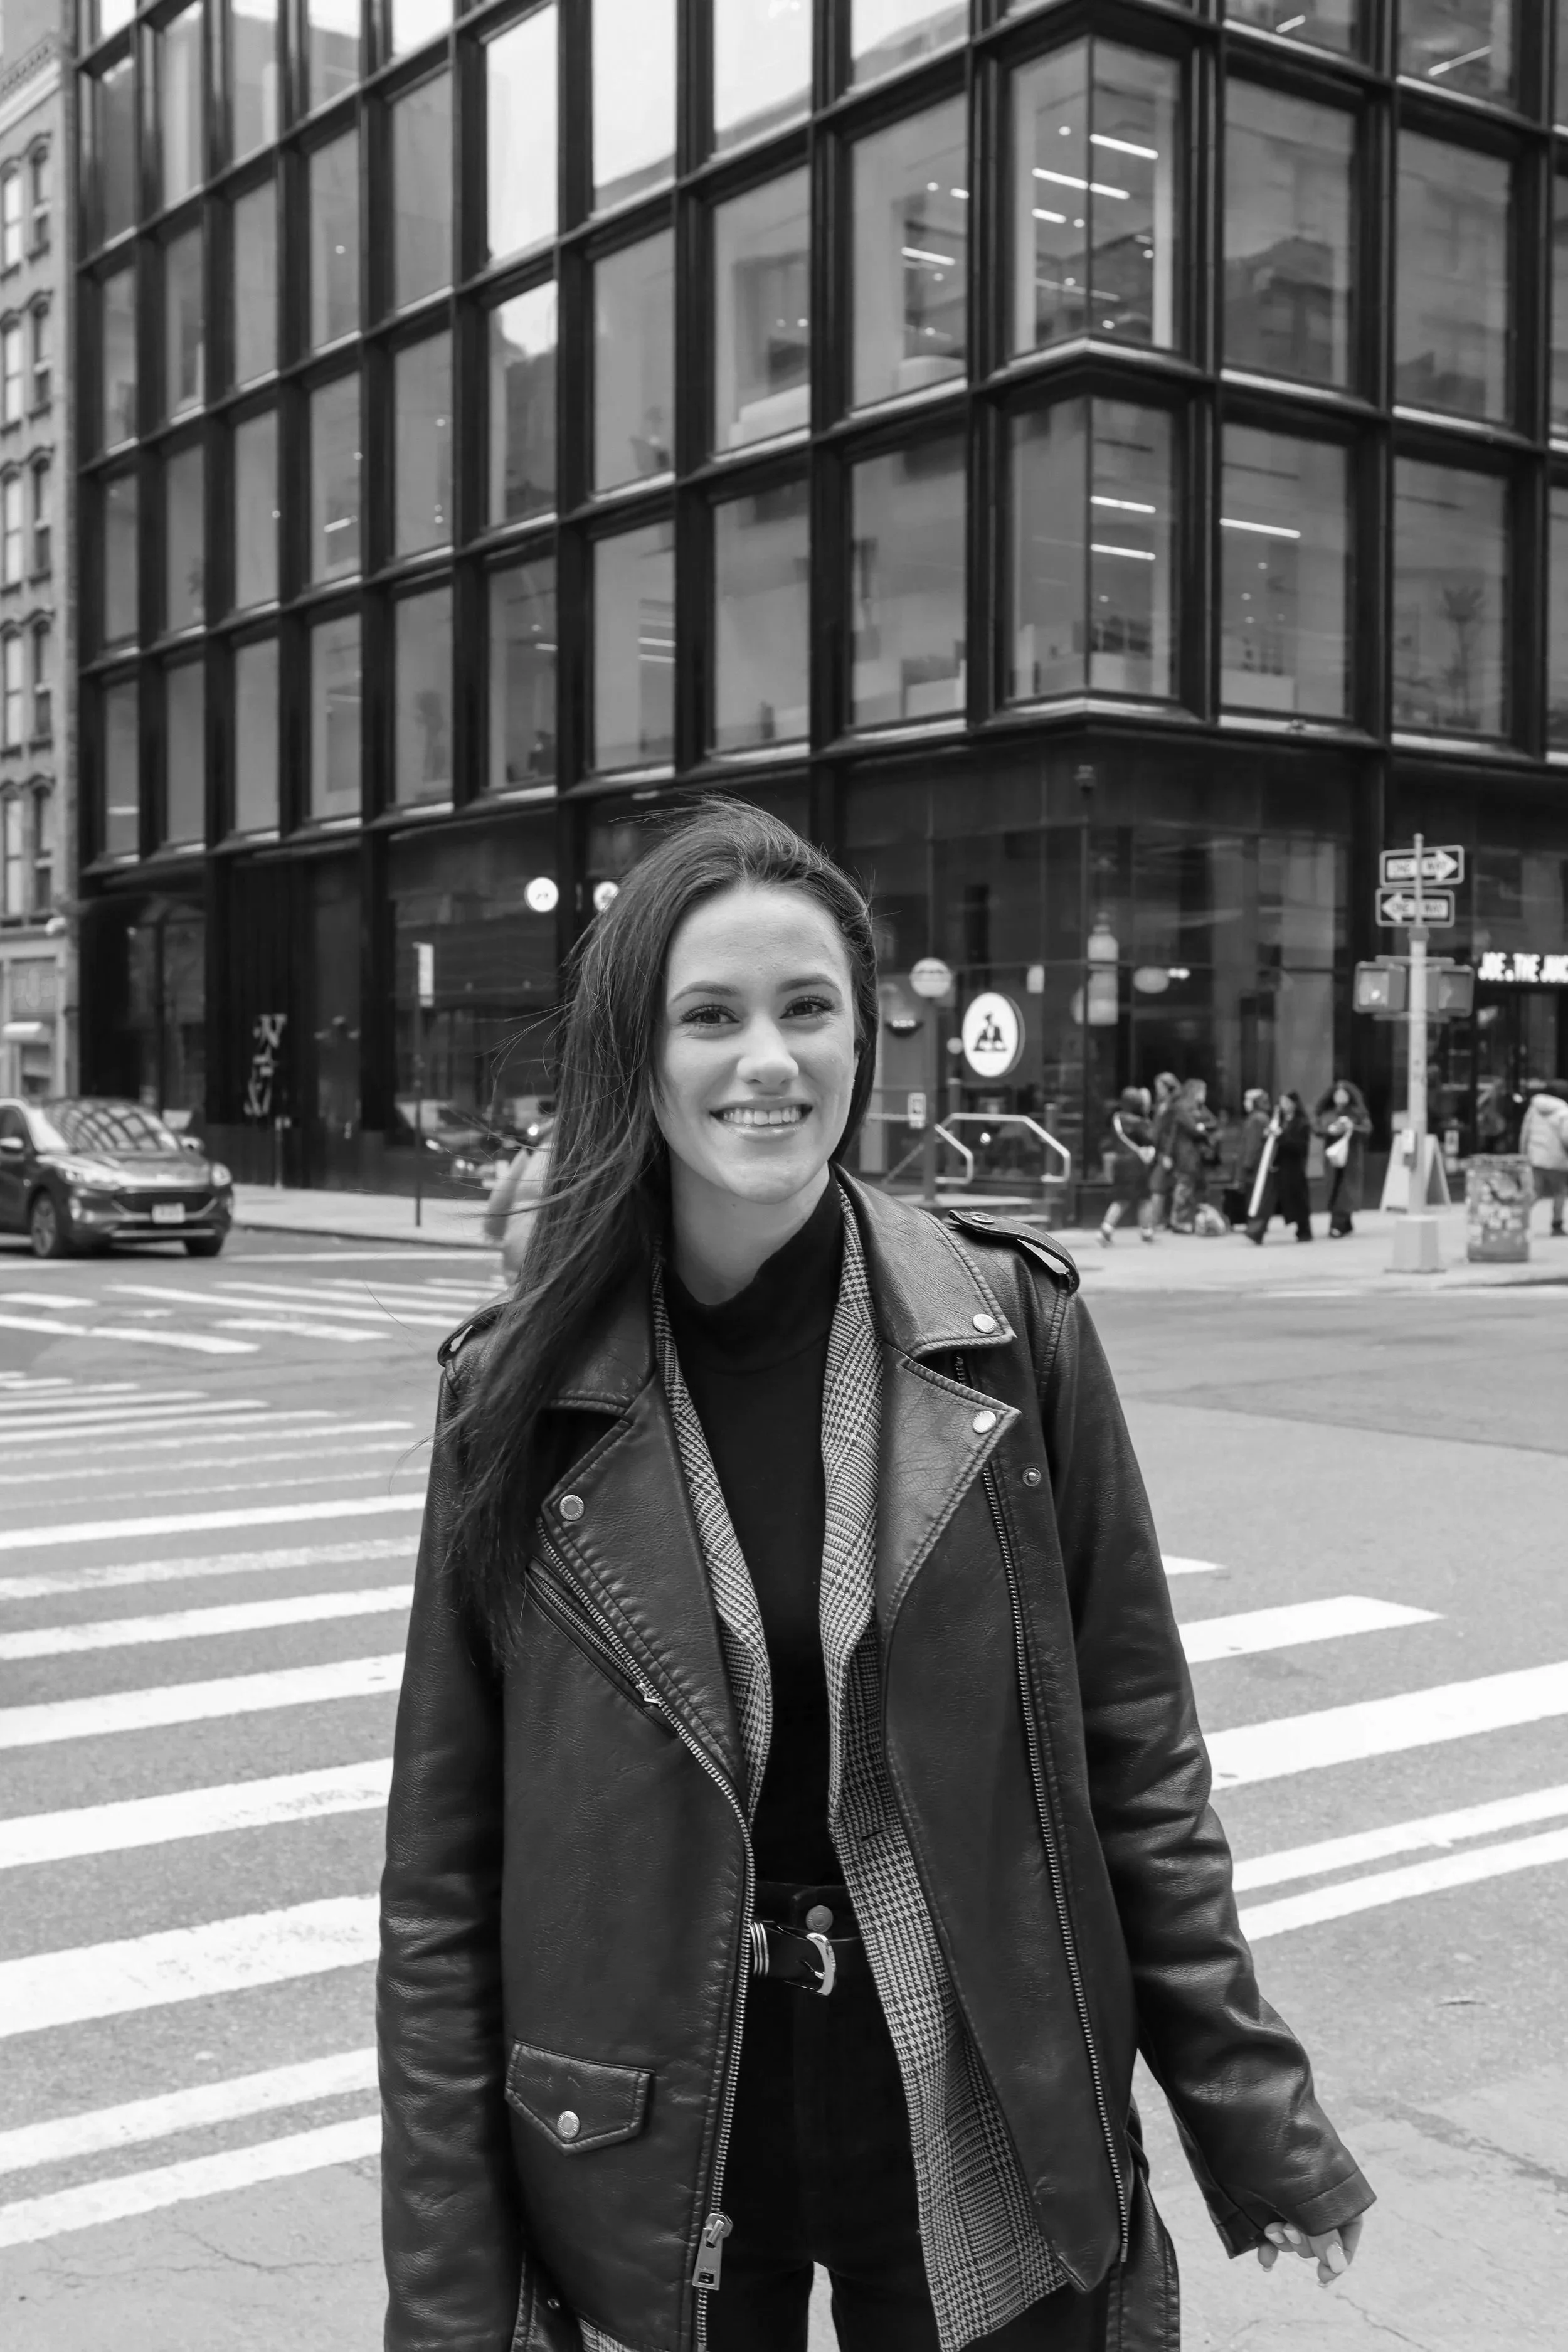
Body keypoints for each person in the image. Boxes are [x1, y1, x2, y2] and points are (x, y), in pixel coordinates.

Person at [379, 803, 1370, 2352]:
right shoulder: (513, 1389)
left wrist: (1254, 2109)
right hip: (643, 2112)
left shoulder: (1010, 1331)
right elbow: (444, 1884)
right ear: (636, 1051)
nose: (764, 1061)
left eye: (807, 1010)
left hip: (974, 2070)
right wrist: (449, 2301)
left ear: (863, 1036)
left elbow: (1138, 1767)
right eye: (708, 1014)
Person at [483, 1123, 554, 1279]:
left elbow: (501, 1199)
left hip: (517, 1259)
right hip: (555, 1268)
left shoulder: (544, 1136)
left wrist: (493, 1229)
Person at [1245, 1090, 1313, 1244]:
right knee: (1270, 1199)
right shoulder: (1279, 1120)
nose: (1283, 1106)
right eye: (1281, 1102)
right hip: (1279, 1166)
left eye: (1286, 1102)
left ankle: (1304, 1230)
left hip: (1294, 1168)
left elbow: (1301, 1146)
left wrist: (1281, 1136)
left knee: (1298, 1200)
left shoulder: (1301, 1123)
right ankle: (1257, 1231)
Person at [1098, 1084, 1157, 1246]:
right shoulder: (1140, 1122)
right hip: (1136, 1164)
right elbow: (1150, 1139)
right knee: (1145, 1198)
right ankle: (1147, 1231)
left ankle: (1107, 1228)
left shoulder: (1116, 1119)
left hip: (1120, 1162)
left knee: (1120, 1199)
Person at [1313, 1081, 1372, 1239]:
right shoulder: (1328, 1113)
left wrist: (1352, 1128)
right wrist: (1329, 1130)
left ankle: (1337, 1225)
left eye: (1344, 1094)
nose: (1340, 1097)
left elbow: (1367, 1129)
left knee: (1346, 1190)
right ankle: (1345, 1224)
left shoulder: (1357, 1113)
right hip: (1332, 1157)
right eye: (1337, 1094)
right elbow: (1317, 1129)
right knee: (1334, 1187)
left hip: (1351, 1157)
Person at [1166, 1078, 1219, 1235]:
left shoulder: (1200, 1108)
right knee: (1185, 1188)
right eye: (1203, 1091)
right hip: (1186, 1154)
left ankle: (1199, 1219)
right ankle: (1179, 1221)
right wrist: (1202, 1128)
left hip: (1200, 1155)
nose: (1205, 1095)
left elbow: (1213, 1123)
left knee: (1200, 1187)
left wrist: (1202, 1126)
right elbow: (1192, 1128)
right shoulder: (1182, 1107)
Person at [1519, 1080, 1568, 1237]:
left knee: (1536, 1191)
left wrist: (1524, 1153)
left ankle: (1518, 1218)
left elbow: (1525, 1132)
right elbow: (1567, 1137)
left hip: (1536, 1158)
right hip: (1557, 1159)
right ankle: (1557, 1224)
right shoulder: (1564, 1112)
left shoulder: (1534, 1109)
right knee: (1560, 1192)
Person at [1227, 1089, 1271, 1229]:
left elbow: (1252, 1144)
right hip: (1257, 1163)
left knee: (1253, 1194)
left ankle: (1255, 1223)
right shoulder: (1261, 1117)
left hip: (1253, 1164)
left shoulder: (1256, 1119)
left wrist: (1247, 1163)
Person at [1144, 1071, 1180, 1232]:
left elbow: (1173, 1133)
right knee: (1163, 1186)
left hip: (1167, 1152)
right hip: (1157, 1151)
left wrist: (1167, 1154)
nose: (1158, 1090)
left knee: (1157, 1186)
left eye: (1160, 1087)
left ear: (1169, 1087)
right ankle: (1166, 1220)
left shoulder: (1174, 1106)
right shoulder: (1161, 1105)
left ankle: (1151, 1224)